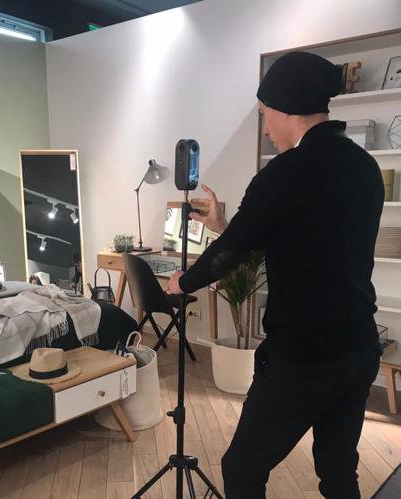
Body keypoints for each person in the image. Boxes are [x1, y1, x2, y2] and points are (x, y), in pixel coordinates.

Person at [167, 51, 384, 499]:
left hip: (305, 355)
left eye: (265, 114)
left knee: (242, 468)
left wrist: (182, 282)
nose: (266, 128)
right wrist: (226, 227)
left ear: (286, 108)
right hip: (360, 348)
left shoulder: (283, 173)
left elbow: (228, 257)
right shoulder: (366, 167)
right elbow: (307, 242)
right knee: (338, 470)